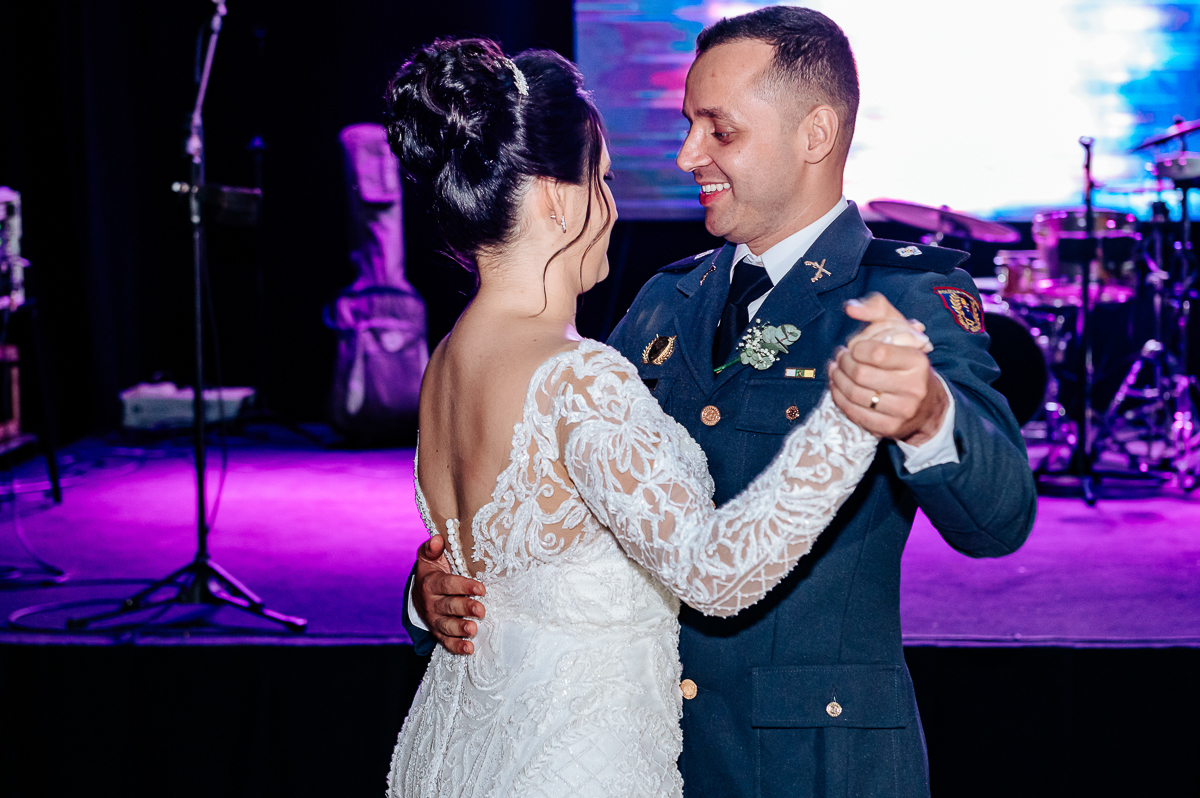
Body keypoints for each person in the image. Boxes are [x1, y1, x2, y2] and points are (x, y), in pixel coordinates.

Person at [406, 7, 1038, 798]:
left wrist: (928, 415)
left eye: (719, 130)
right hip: (645, 751)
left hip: (814, 767)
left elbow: (1002, 515)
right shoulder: (667, 299)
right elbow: (553, 488)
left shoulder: (902, 294)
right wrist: (441, 586)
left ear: (813, 135)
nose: (685, 154)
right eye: (685, 125)